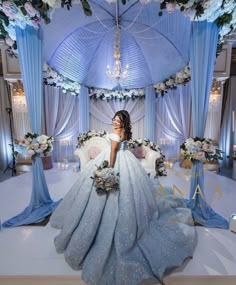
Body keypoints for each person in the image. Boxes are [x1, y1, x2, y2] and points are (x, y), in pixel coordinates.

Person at [50, 110, 196, 285]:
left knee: (109, 194)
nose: (114, 122)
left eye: (118, 120)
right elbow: (121, 148)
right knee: (135, 192)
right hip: (128, 161)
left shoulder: (114, 134)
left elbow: (112, 154)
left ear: (123, 121)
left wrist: (108, 170)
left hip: (115, 162)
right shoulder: (125, 133)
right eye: (114, 119)